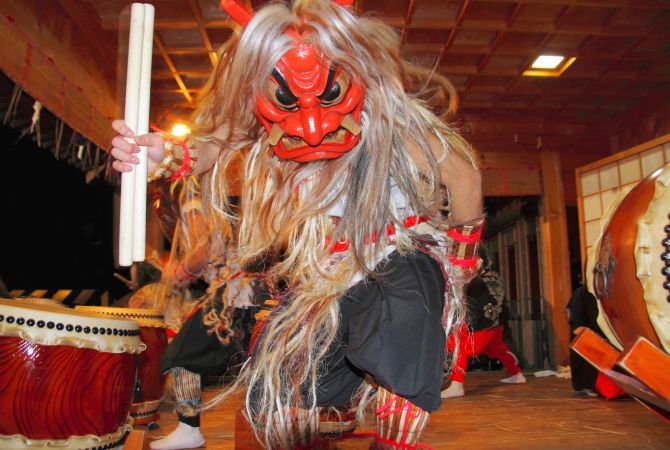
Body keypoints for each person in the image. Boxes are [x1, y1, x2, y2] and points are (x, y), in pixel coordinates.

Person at [111, 1, 483, 448]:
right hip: (325, 275)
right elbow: (213, 143)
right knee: (281, 385)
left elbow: (464, 176)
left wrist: (463, 259)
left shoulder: (392, 127)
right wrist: (163, 154)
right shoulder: (264, 121)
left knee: (402, 347)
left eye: (329, 96)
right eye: (289, 102)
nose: (311, 125)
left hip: (395, 254)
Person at [441, 252, 525, 399]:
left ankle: (457, 385)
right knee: (497, 348)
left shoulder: (480, 275)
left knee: (461, 348)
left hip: (482, 320)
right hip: (493, 321)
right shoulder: (490, 275)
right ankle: (517, 374)